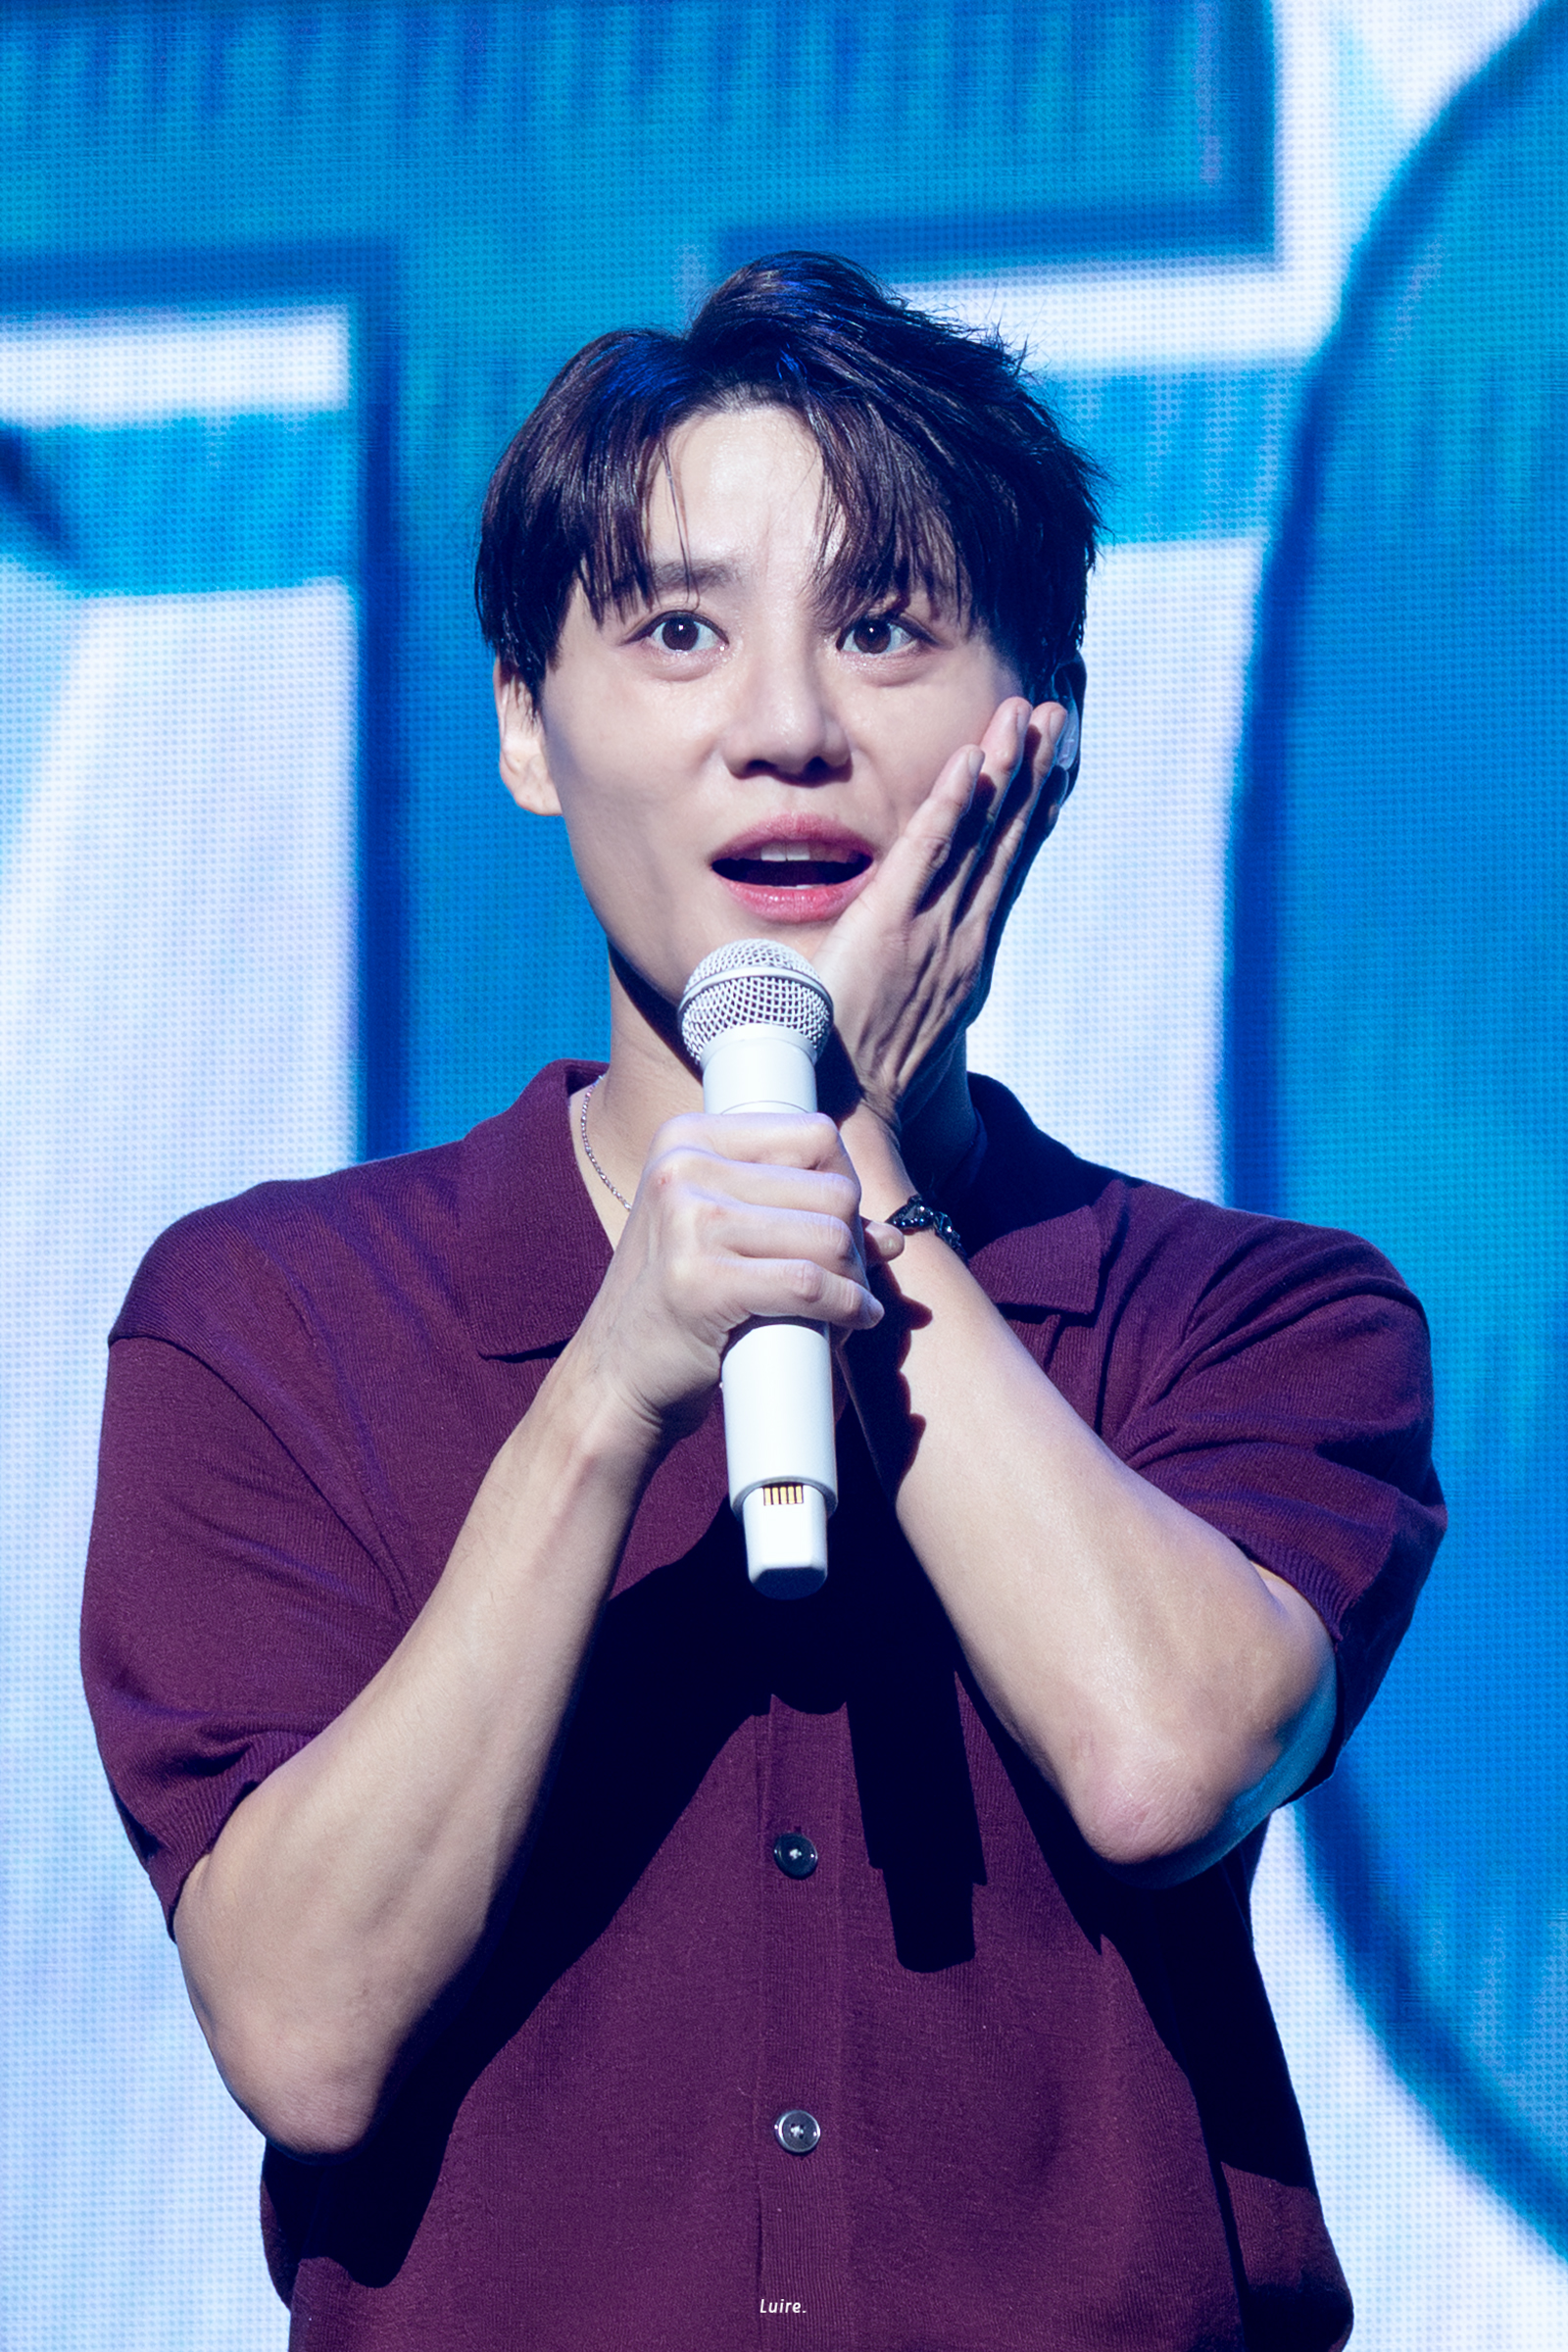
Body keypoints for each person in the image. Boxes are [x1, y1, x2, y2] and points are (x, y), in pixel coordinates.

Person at [82, 253, 1443, 2350]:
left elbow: (1160, 1757)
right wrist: (608, 1390)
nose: (788, 730)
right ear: (527, 726)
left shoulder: (1251, 1317)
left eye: (883, 628)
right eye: (680, 634)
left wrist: (844, 1146)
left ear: (1042, 724)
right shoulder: (274, 1319)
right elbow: (303, 2032)